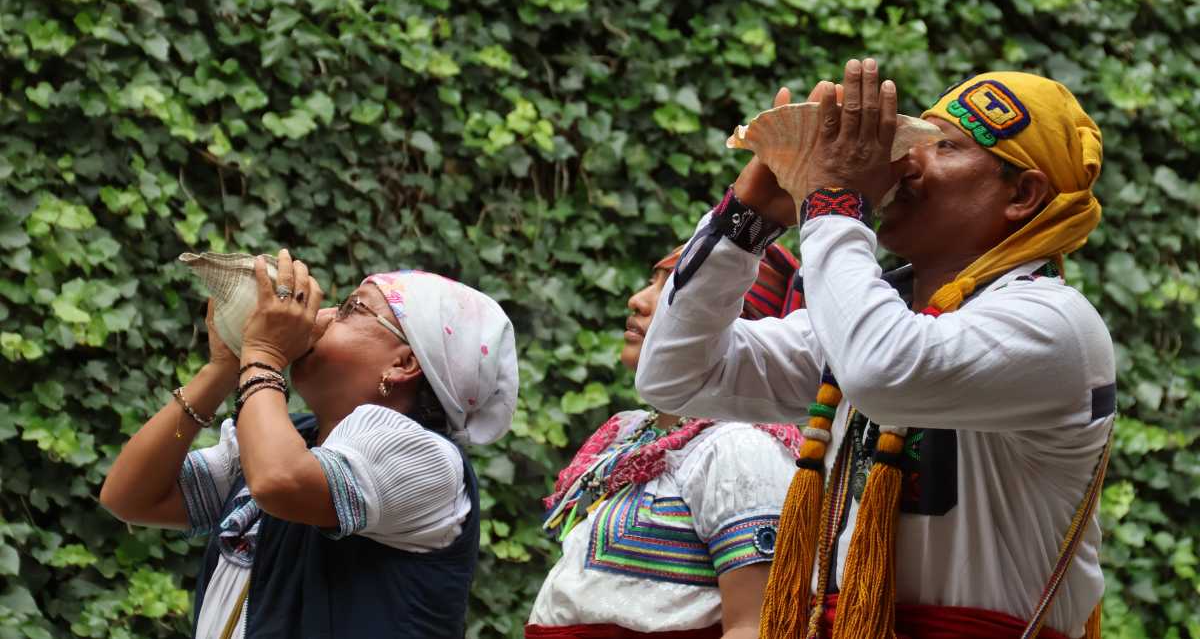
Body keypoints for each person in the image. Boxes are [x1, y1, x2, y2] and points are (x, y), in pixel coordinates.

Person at [635, 59, 1114, 639]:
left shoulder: (1056, 323)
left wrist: (834, 200)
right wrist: (746, 221)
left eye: (945, 146)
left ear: (1023, 194)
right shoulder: (879, 319)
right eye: (916, 139)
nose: (906, 160)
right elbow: (677, 376)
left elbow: (880, 372)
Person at [100, 250, 518, 638]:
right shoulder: (289, 438)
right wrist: (222, 370)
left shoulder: (427, 459)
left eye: (351, 309)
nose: (325, 315)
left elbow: (279, 481)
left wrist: (262, 355)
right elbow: (133, 497)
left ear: (404, 363)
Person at [525, 243, 806, 639]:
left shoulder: (741, 447)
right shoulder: (633, 433)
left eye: (674, 289)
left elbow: (755, 626)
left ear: (734, 325)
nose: (637, 300)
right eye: (651, 282)